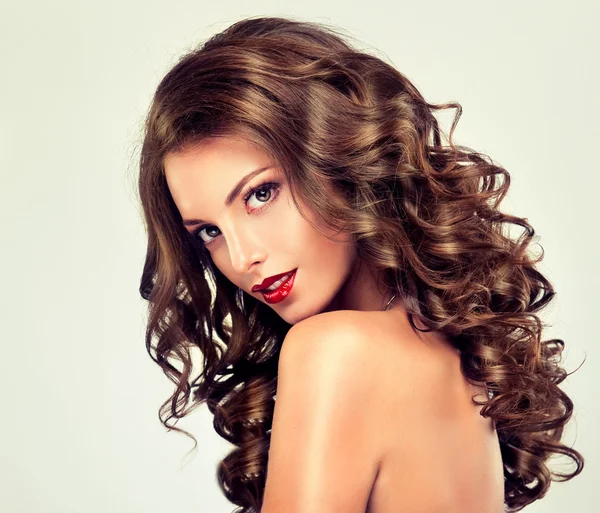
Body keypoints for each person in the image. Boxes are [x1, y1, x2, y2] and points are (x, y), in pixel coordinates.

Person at [136, 16, 584, 513]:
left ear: (338, 161)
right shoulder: (445, 352)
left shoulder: (335, 352)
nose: (242, 258)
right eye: (209, 232)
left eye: (260, 194)